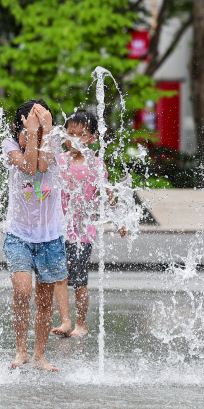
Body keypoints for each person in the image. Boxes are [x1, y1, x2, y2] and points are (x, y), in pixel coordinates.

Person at [51, 110, 127, 338]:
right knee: (60, 277)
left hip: (82, 233)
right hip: (58, 230)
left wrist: (119, 219)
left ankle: (81, 324)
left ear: (93, 138)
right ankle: (65, 321)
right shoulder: (58, 160)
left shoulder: (95, 165)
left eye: (81, 135)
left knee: (80, 281)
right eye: (70, 133)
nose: (74, 139)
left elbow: (106, 197)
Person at [3, 99, 66, 372]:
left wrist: (47, 129)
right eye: (29, 130)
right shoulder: (10, 147)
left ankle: (39, 355)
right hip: (19, 235)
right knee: (22, 291)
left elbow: (43, 165)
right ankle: (21, 350)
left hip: (50, 237)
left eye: (39, 130)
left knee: (44, 301)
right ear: (19, 129)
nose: (35, 136)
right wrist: (31, 132)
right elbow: (29, 168)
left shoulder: (53, 144)